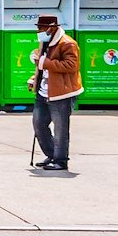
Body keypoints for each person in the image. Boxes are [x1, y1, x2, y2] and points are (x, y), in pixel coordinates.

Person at [28, 14, 83, 171]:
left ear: (51, 28)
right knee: (38, 123)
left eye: (41, 28)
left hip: (62, 93)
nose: (38, 31)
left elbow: (71, 65)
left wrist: (45, 63)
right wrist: (34, 79)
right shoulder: (44, 42)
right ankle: (51, 154)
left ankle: (60, 160)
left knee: (60, 129)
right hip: (43, 91)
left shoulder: (67, 44)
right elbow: (42, 68)